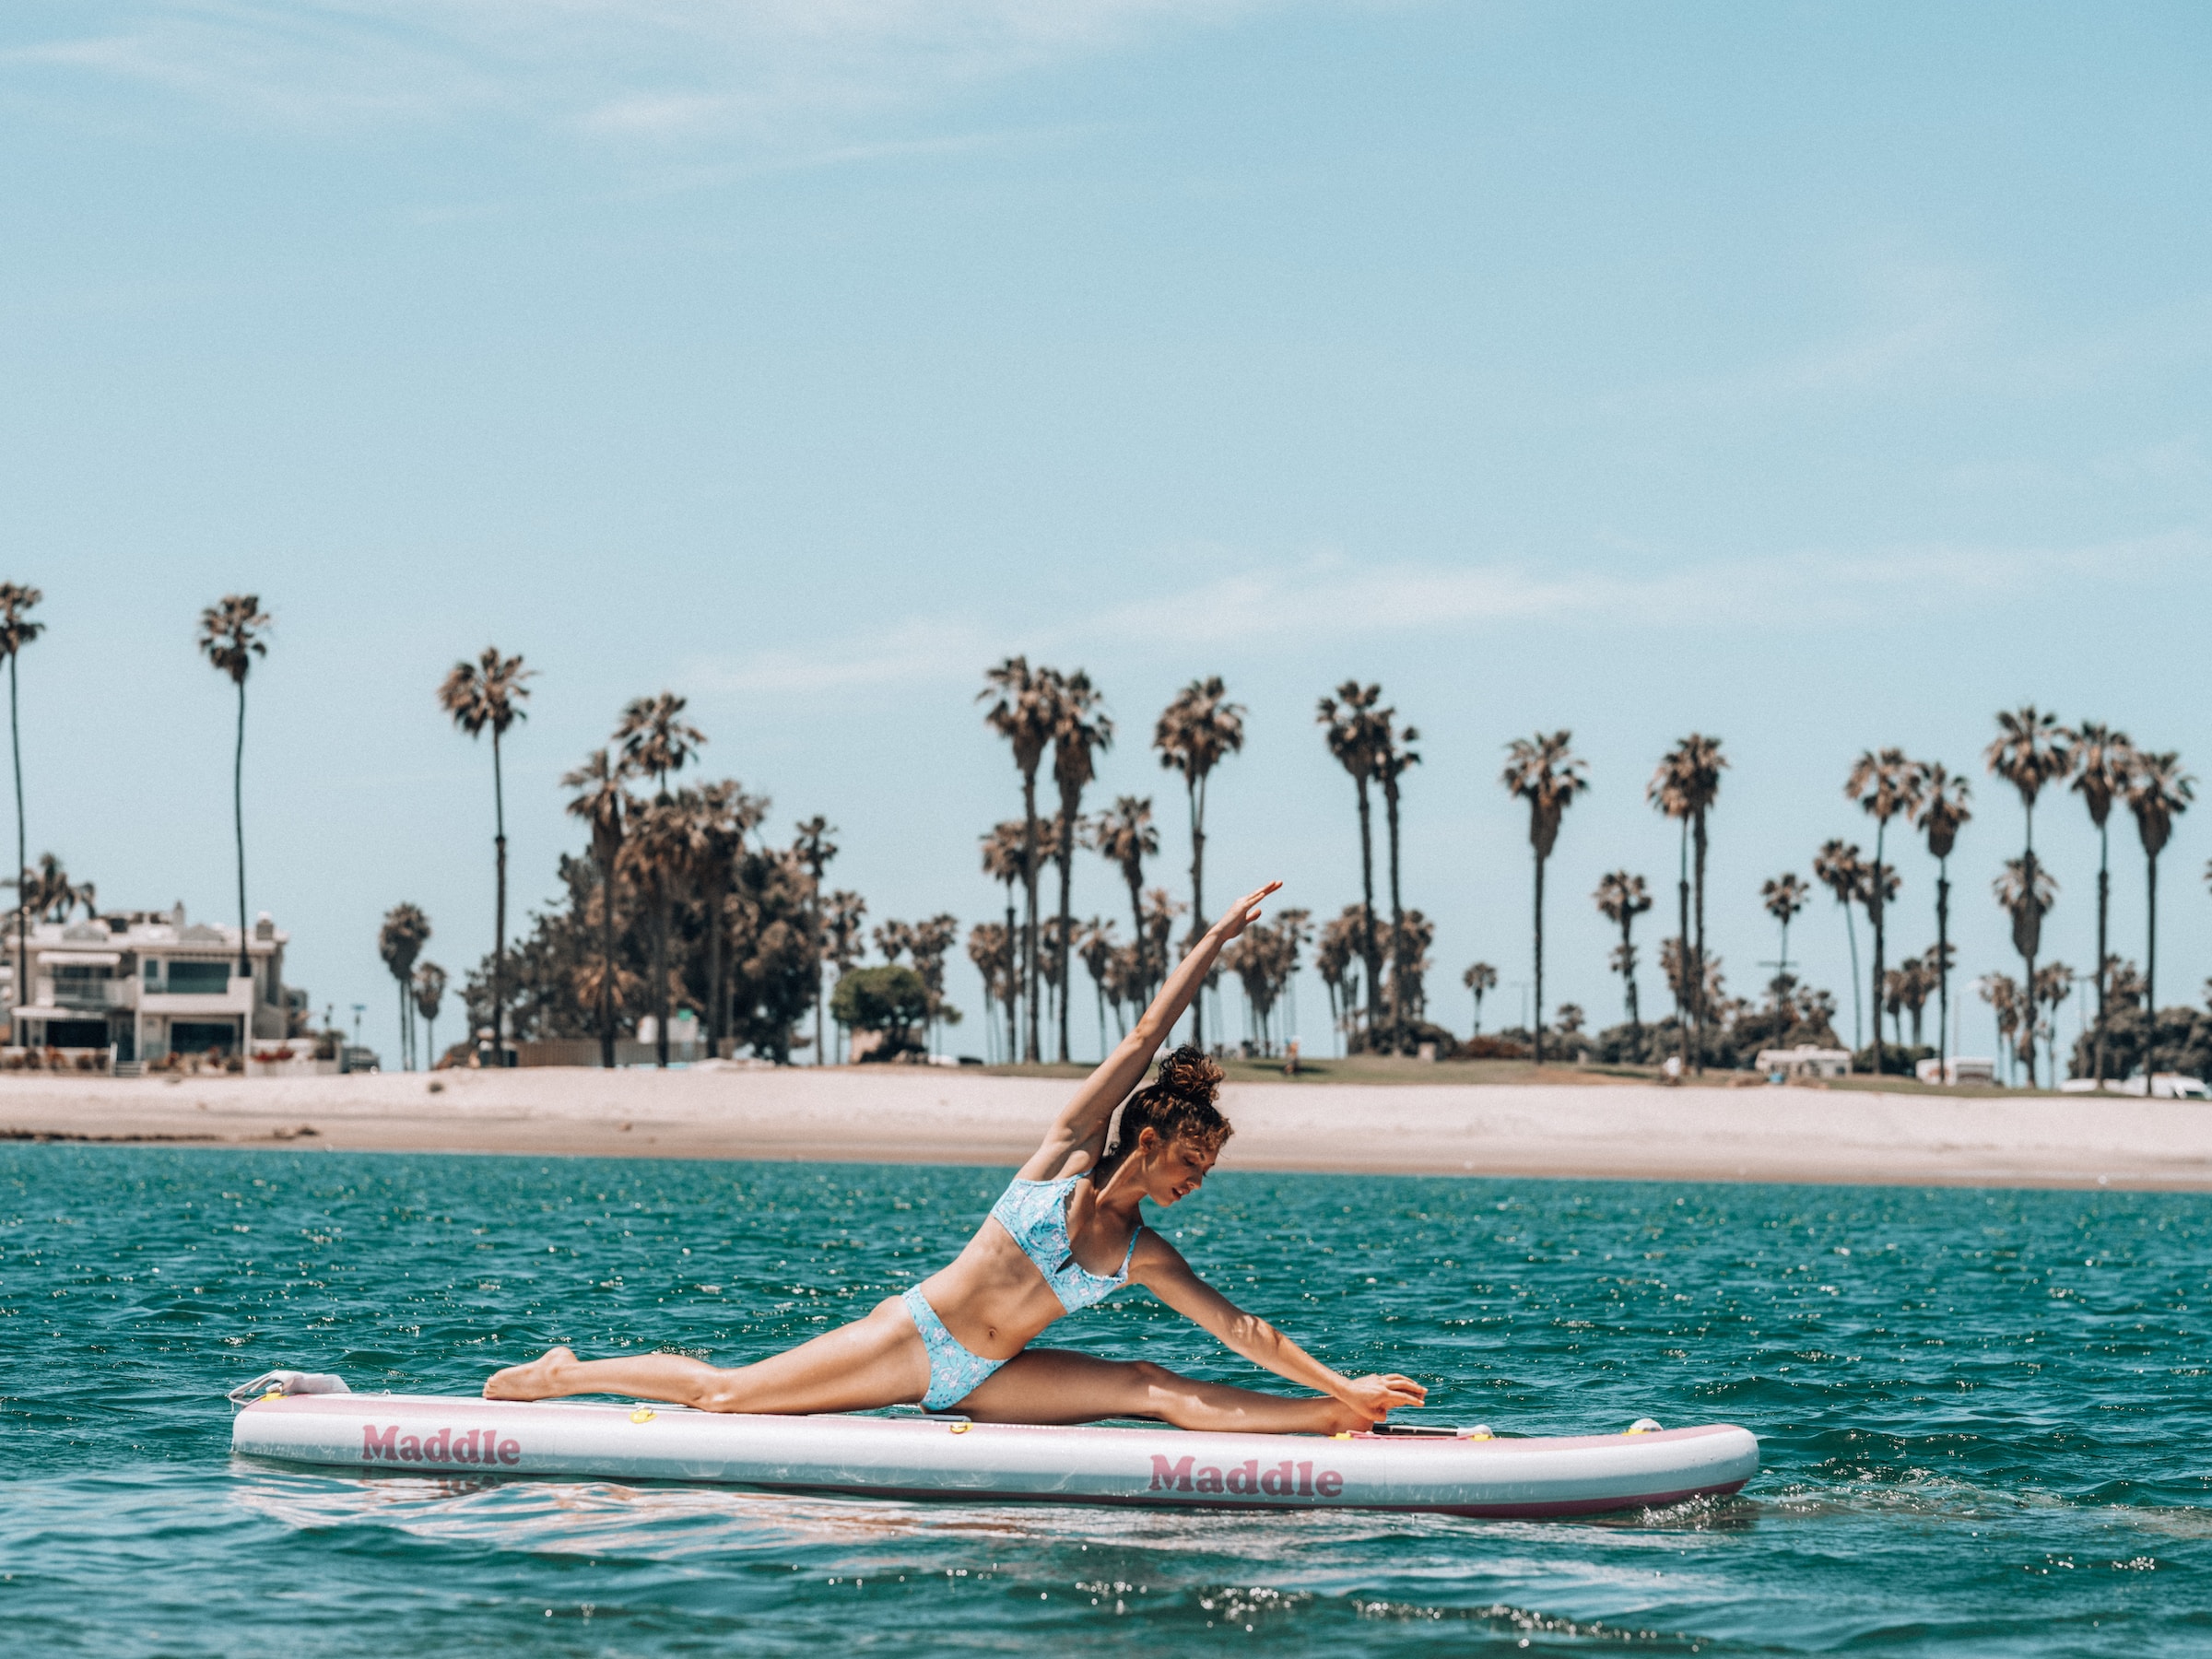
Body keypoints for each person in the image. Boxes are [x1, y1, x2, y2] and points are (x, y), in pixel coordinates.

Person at [485, 879, 1426, 1433]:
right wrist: (1214, 940)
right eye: (1190, 1163)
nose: (1196, 1183)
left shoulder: (1147, 1255)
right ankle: (566, 1372)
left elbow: (1244, 1332)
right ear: (1145, 1140)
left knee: (1153, 1388)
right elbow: (1142, 1037)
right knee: (727, 1396)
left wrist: (1341, 1391)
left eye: (1206, 1173)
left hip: (1000, 1374)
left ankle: (1336, 1420)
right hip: (916, 1338)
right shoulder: (1064, 1153)